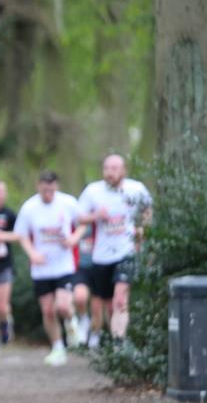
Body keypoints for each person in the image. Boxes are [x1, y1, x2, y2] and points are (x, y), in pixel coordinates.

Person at [76, 154, 153, 347]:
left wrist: (143, 230)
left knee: (120, 299)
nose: (110, 172)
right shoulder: (93, 191)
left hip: (126, 251)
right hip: (101, 256)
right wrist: (95, 216)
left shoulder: (136, 189)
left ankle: (119, 343)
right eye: (107, 168)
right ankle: (115, 339)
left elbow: (148, 211)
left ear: (124, 170)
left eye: (114, 168)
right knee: (109, 304)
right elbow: (79, 217)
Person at [14, 170, 84, 367]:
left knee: (62, 306)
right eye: (45, 190)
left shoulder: (68, 202)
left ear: (57, 187)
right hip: (42, 268)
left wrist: (73, 239)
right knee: (48, 311)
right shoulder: (29, 207)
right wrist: (32, 253)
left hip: (64, 265)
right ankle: (57, 347)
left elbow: (82, 224)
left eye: (51, 190)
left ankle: (72, 323)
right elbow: (22, 235)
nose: (48, 194)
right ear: (38, 186)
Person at [0, 180, 19, 347]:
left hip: (5, 264)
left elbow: (19, 235)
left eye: (2, 191)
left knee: (2, 306)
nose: (0, 194)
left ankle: (5, 324)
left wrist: (2, 236)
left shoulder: (9, 214)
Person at [71, 226, 95, 345]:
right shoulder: (73, 213)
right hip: (80, 266)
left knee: (100, 305)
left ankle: (96, 335)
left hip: (100, 264)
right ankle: (84, 320)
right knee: (80, 298)